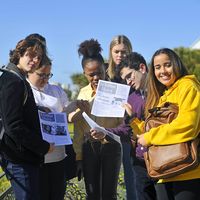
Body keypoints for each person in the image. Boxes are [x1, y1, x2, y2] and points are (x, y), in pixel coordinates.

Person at [129, 48, 200, 200]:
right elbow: (154, 130)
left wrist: (150, 137)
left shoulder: (188, 87)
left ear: (177, 64)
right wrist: (132, 120)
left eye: (167, 65)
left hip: (187, 171)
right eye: (157, 67)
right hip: (164, 173)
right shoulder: (163, 95)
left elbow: (188, 125)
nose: (163, 71)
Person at [91, 52, 157, 200]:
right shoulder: (132, 98)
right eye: (125, 79)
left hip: (160, 158)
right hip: (139, 161)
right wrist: (105, 132)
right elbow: (126, 129)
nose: (128, 82)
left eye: (129, 76)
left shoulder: (161, 92)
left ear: (142, 68)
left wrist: (133, 118)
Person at [0, 38, 54, 200]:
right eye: (31, 55)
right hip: (19, 158)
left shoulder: (13, 78)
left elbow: (11, 111)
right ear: (19, 54)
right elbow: (13, 126)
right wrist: (43, 146)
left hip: (16, 156)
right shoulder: (14, 81)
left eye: (39, 57)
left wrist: (35, 109)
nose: (35, 60)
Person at [70, 39, 122, 200]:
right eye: (91, 74)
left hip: (111, 146)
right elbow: (78, 129)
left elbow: (122, 124)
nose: (96, 77)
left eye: (99, 72)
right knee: (91, 194)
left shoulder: (115, 91)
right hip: (89, 149)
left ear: (105, 68)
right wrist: (78, 157)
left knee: (109, 194)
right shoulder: (83, 94)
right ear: (84, 74)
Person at [27, 55, 69, 200]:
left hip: (58, 156)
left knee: (57, 195)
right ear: (30, 70)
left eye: (48, 75)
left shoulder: (56, 90)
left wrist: (77, 109)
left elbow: (67, 116)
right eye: (41, 75)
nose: (45, 79)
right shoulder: (25, 90)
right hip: (37, 158)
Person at [107, 35, 135, 200]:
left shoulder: (133, 73)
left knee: (132, 177)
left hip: (129, 131)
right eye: (116, 51)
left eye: (124, 52)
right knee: (109, 178)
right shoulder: (104, 72)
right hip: (109, 129)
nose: (120, 55)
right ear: (111, 52)